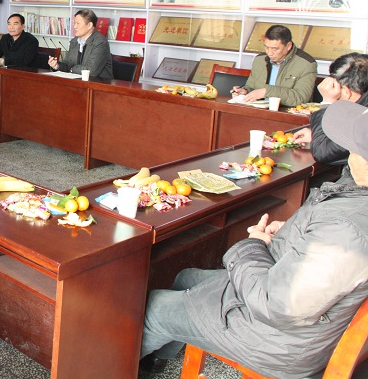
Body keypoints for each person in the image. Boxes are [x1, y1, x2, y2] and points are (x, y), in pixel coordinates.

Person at [140, 100, 368, 378]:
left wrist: (252, 245)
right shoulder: (355, 199)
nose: (348, 153)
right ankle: (158, 357)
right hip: (293, 307)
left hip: (277, 339)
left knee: (155, 307)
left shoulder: (347, 230)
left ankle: (126, 364)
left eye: (353, 147)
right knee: (186, 277)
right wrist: (293, 232)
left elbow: (277, 305)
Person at [293, 52, 368, 165]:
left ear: (346, 91)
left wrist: (327, 103)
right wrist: (318, 136)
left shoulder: (362, 120)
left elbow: (321, 152)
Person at [231, 25, 317, 107]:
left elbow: (301, 97)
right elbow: (251, 87)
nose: (269, 53)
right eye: (266, 47)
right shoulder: (260, 60)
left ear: (288, 46)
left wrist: (267, 92)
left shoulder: (307, 64)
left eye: (275, 49)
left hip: (286, 114)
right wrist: (245, 91)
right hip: (258, 111)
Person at [47, 9, 112, 79]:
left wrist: (71, 69)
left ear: (89, 25)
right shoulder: (74, 41)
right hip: (77, 81)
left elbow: (91, 71)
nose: (75, 26)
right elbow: (68, 64)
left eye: (78, 23)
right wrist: (57, 65)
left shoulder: (100, 42)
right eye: (74, 23)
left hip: (98, 83)